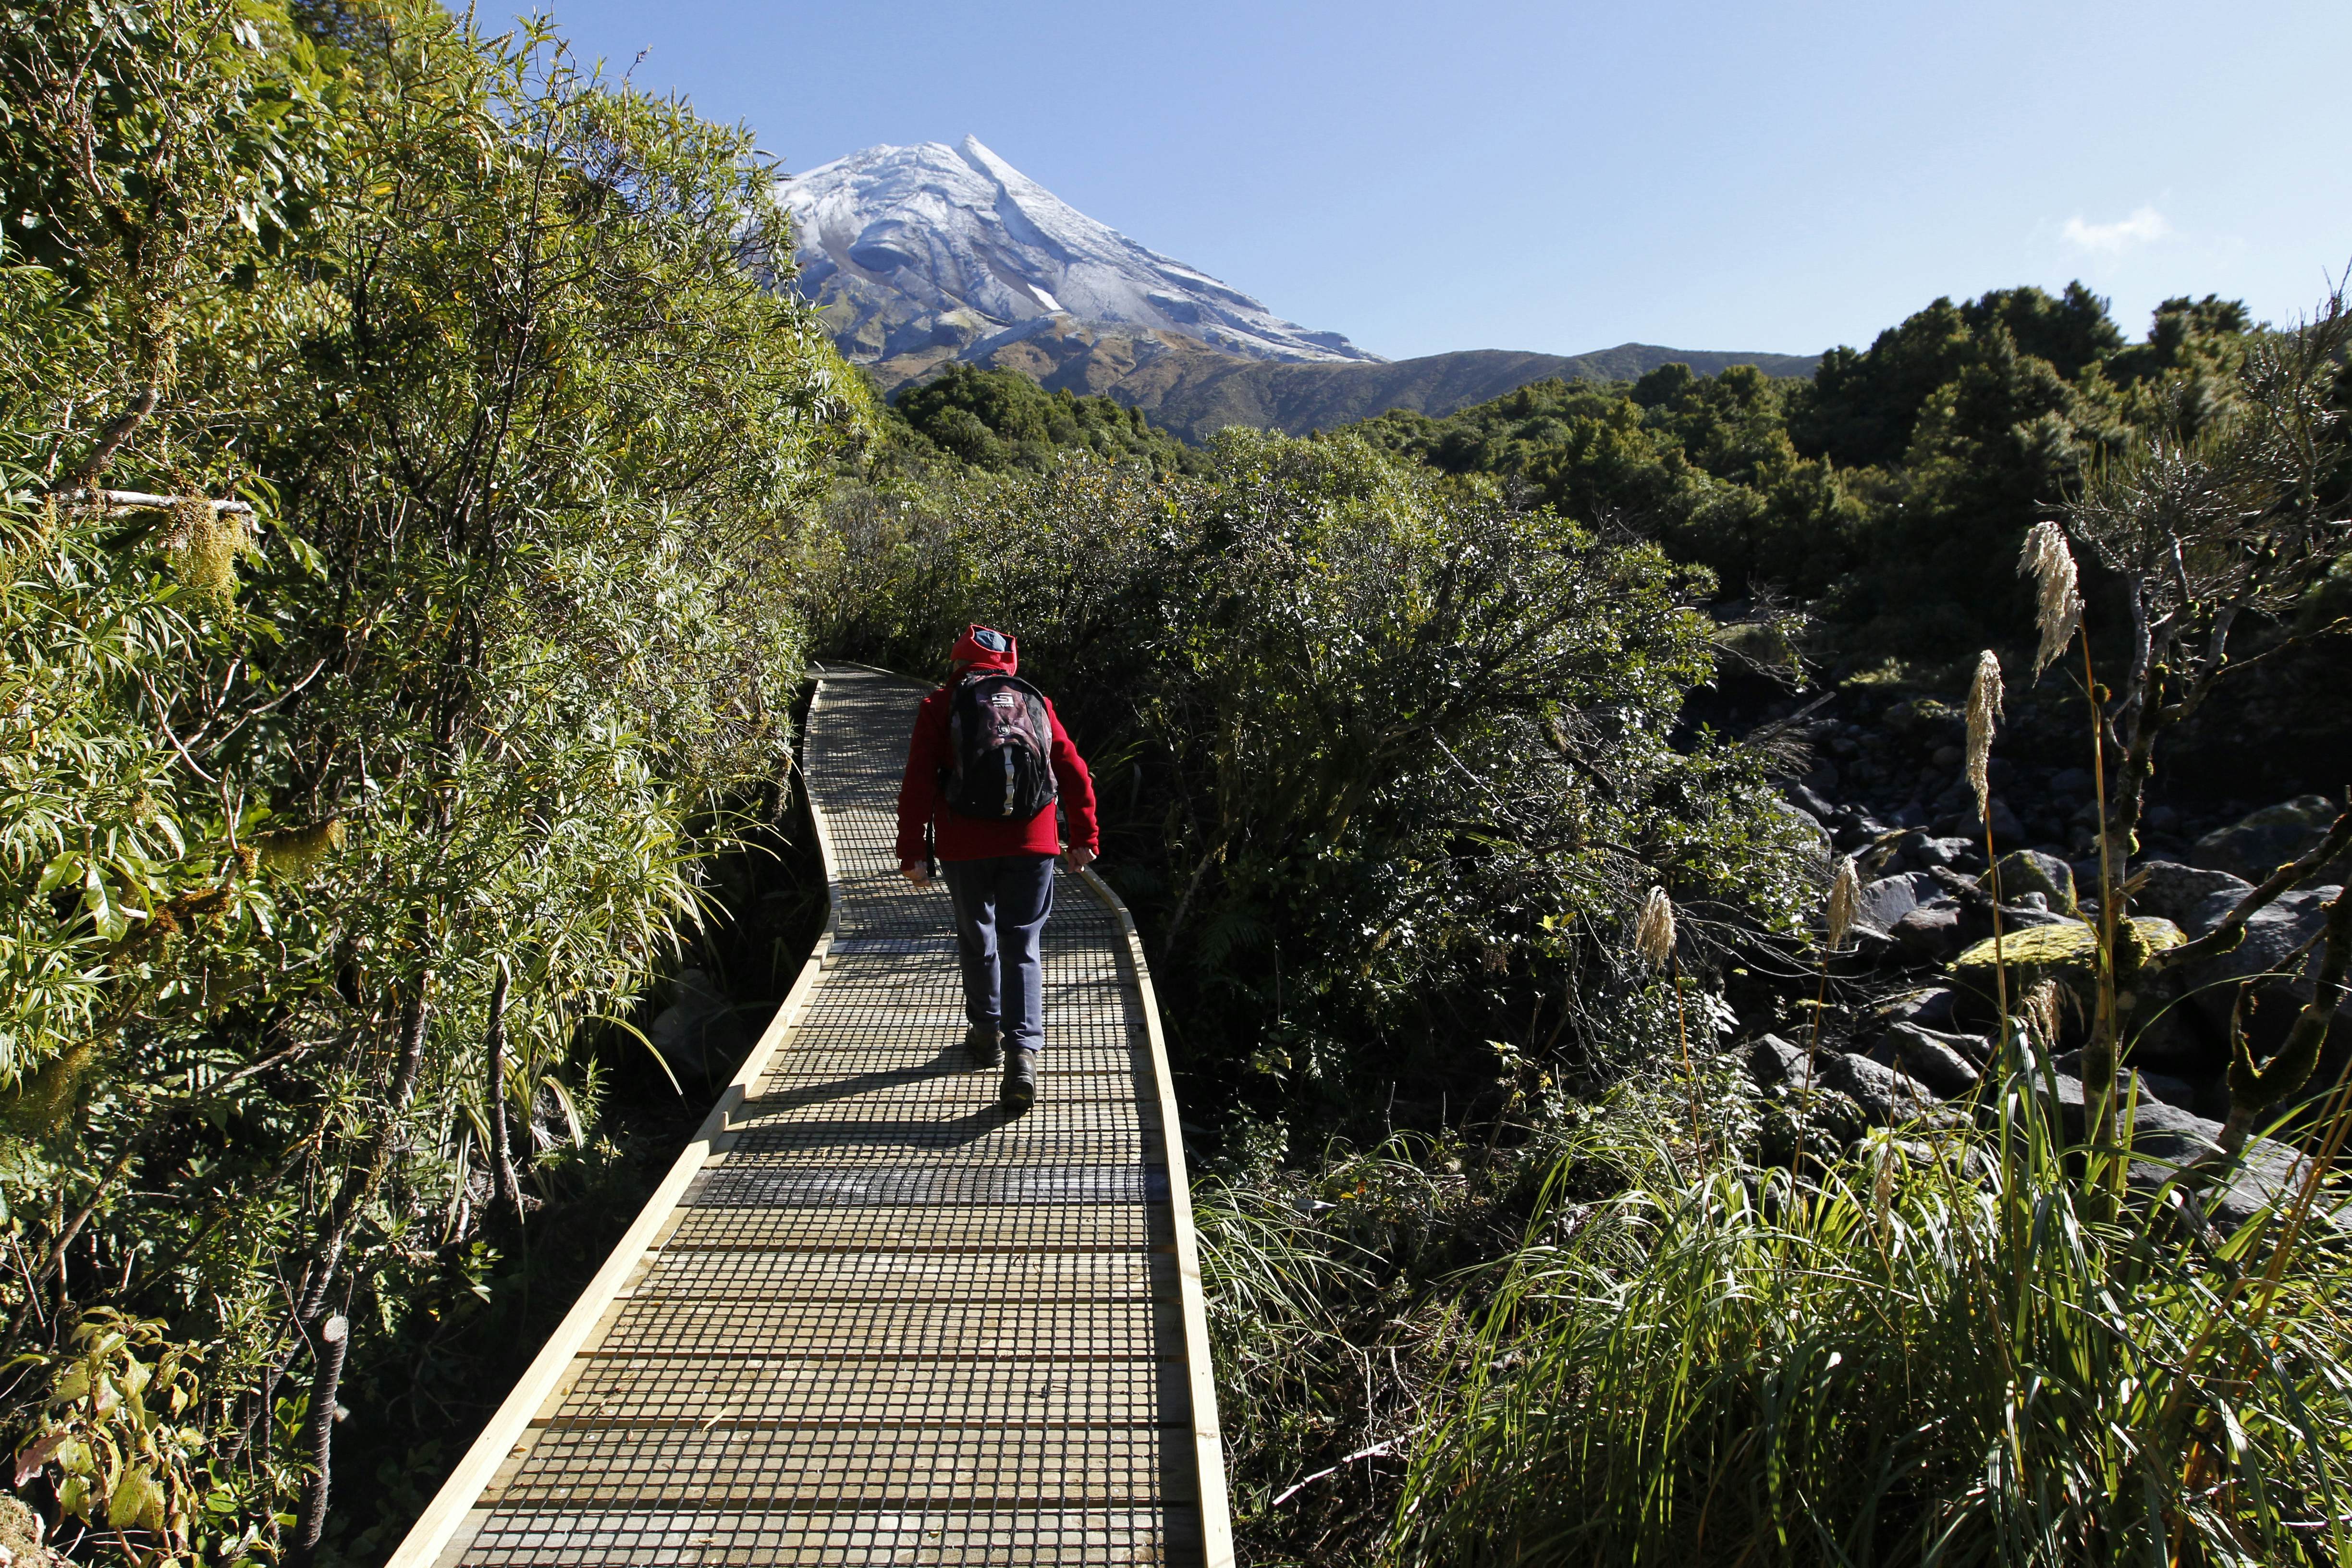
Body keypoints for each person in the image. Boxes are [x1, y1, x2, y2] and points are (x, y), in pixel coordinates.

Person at [895, 625, 1099, 1110]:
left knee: (976, 933)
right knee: (1022, 942)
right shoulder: (1036, 702)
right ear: (1009, 661)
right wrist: (1085, 837)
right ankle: (1023, 1054)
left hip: (964, 845)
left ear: (958, 662)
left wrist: (911, 852)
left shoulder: (939, 706)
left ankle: (985, 1033)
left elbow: (919, 782)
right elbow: (1072, 768)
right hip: (1034, 840)